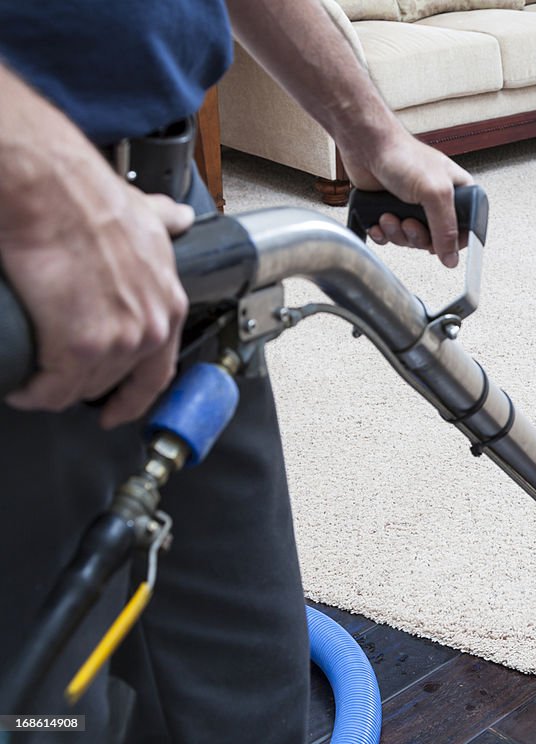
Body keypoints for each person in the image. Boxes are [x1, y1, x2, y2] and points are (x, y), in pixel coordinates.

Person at [0, 1, 472, 741]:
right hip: (29, 249)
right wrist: (29, 171)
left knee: (248, 674)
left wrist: (368, 129)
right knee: (45, 712)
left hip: (170, 204)